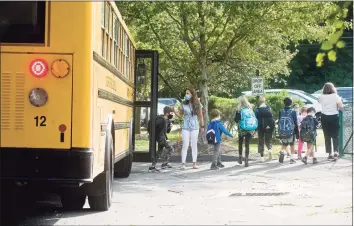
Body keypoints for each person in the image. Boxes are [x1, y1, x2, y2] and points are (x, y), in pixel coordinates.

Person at [173, 88, 205, 169]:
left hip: (195, 125)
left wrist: (202, 126)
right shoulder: (183, 103)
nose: (186, 95)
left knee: (194, 145)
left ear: (192, 94)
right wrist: (174, 111)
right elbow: (181, 115)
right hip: (186, 125)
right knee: (185, 145)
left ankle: (194, 163)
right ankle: (183, 163)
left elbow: (200, 116)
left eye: (188, 93)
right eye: (186, 93)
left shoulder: (198, 104)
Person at [318, 82, 344, 161]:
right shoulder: (335, 96)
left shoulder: (321, 97)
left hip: (324, 117)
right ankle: (336, 151)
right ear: (333, 88)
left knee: (327, 135)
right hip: (334, 116)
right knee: (335, 135)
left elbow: (319, 102)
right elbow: (341, 107)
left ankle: (330, 153)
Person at [147, 106, 175, 171]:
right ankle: (164, 164)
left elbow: (167, 131)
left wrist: (170, 127)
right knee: (171, 149)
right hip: (161, 138)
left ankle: (153, 166)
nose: (172, 114)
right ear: (167, 113)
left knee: (159, 152)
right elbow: (156, 127)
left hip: (162, 138)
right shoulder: (161, 119)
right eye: (170, 113)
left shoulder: (167, 120)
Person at [234, 96, 258, 167]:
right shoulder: (250, 108)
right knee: (247, 144)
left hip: (242, 129)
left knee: (240, 143)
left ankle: (240, 158)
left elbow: (236, 120)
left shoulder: (239, 110)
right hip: (250, 128)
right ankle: (246, 159)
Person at [278, 97, 299, 164]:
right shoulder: (293, 112)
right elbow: (295, 122)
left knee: (284, 143)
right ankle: (292, 159)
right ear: (291, 103)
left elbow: (279, 120)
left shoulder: (281, 111)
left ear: (284, 103)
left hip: (282, 131)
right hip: (291, 131)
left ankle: (282, 151)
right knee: (292, 144)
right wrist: (297, 132)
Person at [255, 96, 275, 162]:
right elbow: (272, 118)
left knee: (261, 141)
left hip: (260, 127)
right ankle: (269, 149)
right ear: (265, 101)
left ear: (259, 102)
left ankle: (262, 157)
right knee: (268, 140)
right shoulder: (269, 108)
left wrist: (255, 129)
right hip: (269, 126)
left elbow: (256, 119)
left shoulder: (257, 110)